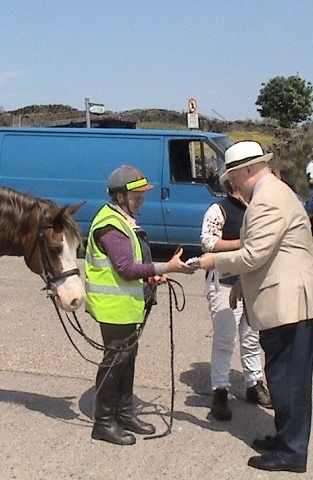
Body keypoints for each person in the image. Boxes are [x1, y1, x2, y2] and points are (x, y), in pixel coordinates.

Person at [198, 141, 313, 473]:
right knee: (283, 376)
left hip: (288, 303)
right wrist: (239, 287)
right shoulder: (276, 193)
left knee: (287, 381)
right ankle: (285, 437)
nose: (234, 186)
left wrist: (213, 261)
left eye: (234, 178)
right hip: (285, 299)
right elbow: (269, 255)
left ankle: (291, 452)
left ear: (248, 170)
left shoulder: (267, 200)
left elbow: (252, 255)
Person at [85, 164, 196, 446]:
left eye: (142, 196)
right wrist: (166, 266)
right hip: (113, 306)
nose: (142, 201)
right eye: (137, 196)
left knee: (126, 359)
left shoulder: (123, 218)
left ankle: (124, 413)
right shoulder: (110, 225)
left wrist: (151, 275)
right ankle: (103, 422)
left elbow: (133, 264)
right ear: (120, 197)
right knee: (115, 362)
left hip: (126, 304)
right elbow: (125, 268)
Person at [201, 180, 271, 421]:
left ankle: (254, 383)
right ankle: (219, 390)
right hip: (224, 281)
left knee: (251, 337)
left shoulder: (257, 207)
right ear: (234, 183)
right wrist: (243, 246)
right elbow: (208, 242)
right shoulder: (219, 209)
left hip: (251, 281)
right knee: (225, 338)